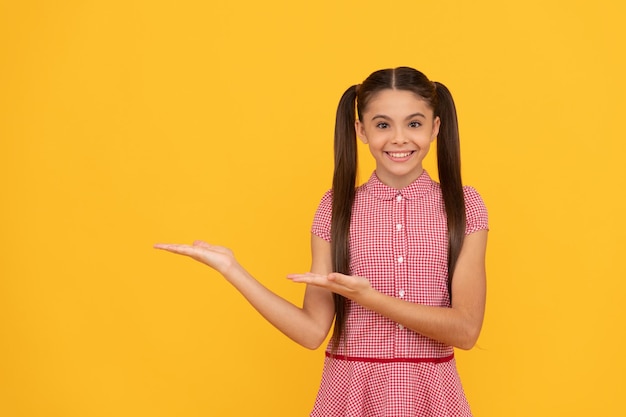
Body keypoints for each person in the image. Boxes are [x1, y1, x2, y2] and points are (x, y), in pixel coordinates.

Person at [154, 66, 489, 417]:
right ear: (361, 130)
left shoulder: (465, 207)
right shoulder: (335, 207)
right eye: (382, 124)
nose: (399, 138)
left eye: (414, 123)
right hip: (348, 395)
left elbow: (465, 331)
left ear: (436, 127)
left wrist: (369, 299)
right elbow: (312, 331)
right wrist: (232, 269)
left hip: (433, 395)